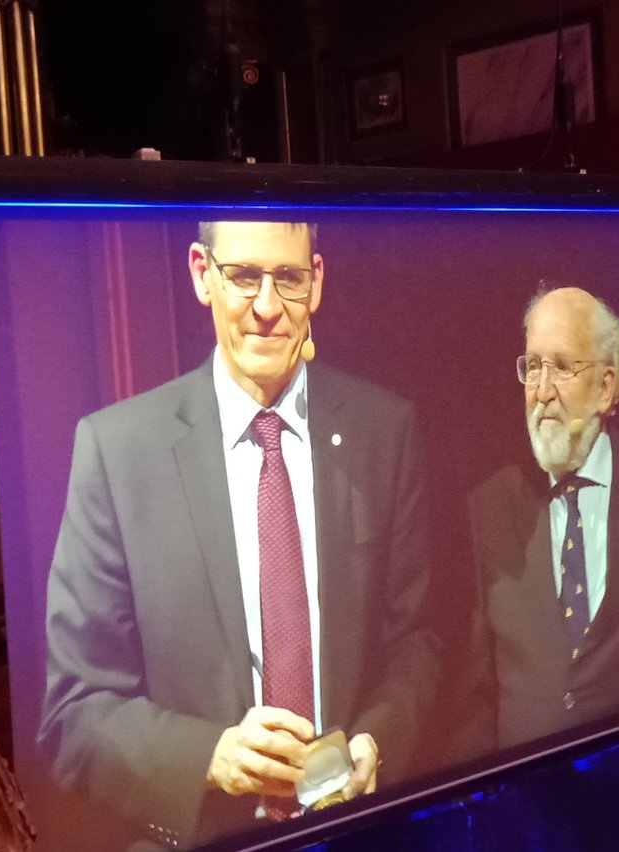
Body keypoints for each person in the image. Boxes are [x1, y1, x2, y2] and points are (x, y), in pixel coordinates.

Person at [39, 220, 438, 850]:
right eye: (244, 276)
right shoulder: (118, 453)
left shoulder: (383, 432)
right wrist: (210, 757)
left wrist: (377, 741)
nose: (267, 307)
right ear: (203, 274)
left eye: (289, 278)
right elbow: (75, 714)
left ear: (317, 281)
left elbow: (418, 641)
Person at [467, 286, 619, 750]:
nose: (542, 392)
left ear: (605, 387)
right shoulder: (490, 506)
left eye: (562, 367)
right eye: (533, 366)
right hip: (525, 783)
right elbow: (474, 693)